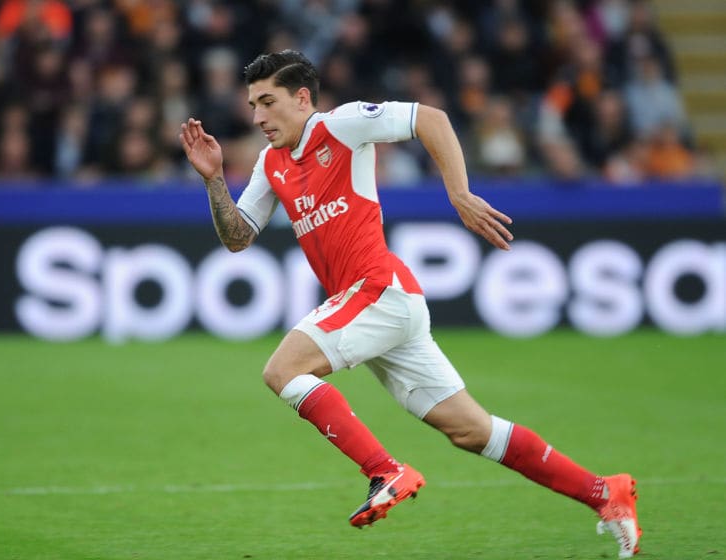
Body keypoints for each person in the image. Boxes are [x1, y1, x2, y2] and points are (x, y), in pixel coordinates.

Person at [179, 50, 641, 558]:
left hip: (377, 289)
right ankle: (605, 492)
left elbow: (431, 119)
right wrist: (214, 179)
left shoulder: (343, 125)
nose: (258, 117)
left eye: (268, 102)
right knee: (471, 431)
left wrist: (459, 193)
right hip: (379, 303)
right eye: (252, 105)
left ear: (302, 97)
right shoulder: (271, 163)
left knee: (282, 370)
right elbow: (238, 237)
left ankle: (384, 471)